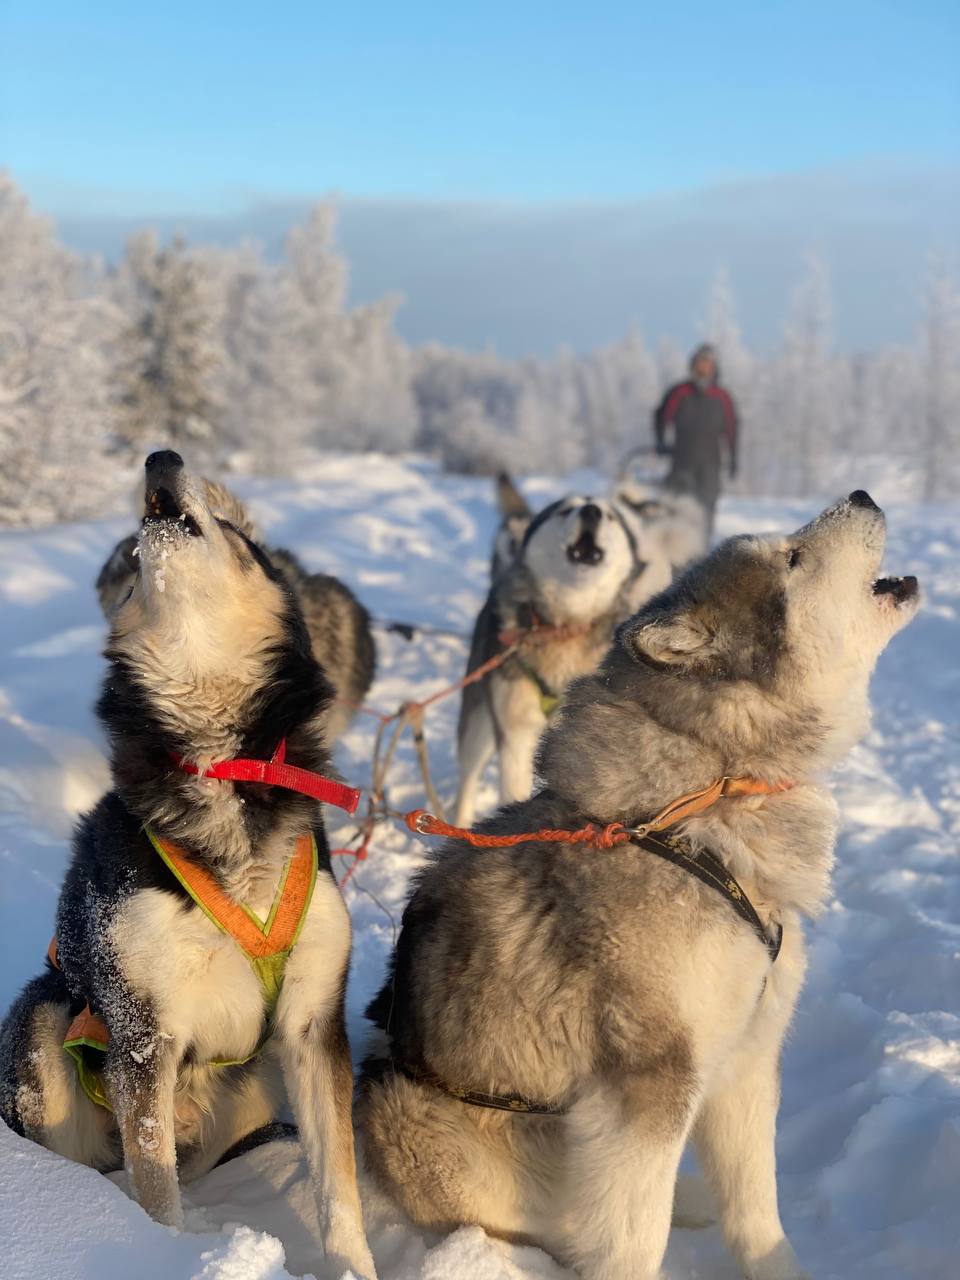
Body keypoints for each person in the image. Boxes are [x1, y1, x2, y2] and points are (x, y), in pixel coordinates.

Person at [653, 342, 738, 537]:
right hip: (682, 460)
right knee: (676, 507)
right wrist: (660, 442)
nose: (704, 368)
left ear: (714, 367)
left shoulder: (722, 397)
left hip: (710, 464)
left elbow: (733, 429)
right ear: (693, 366)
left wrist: (733, 458)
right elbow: (660, 417)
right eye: (700, 363)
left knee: (706, 509)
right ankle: (676, 555)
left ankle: (702, 552)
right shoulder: (679, 392)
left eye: (708, 364)